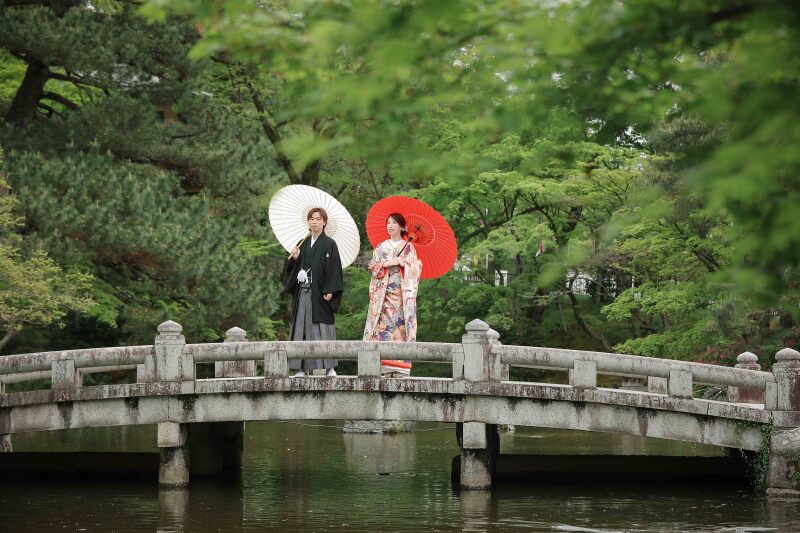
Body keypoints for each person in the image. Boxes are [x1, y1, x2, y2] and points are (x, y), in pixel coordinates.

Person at [285, 207, 344, 377]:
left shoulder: (329, 244)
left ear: (324, 222)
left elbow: (334, 269)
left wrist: (330, 289)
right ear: (308, 221)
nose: (315, 222)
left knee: (323, 328)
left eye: (318, 219)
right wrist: (296, 259)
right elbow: (293, 269)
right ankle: (302, 368)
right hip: (304, 292)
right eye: (312, 219)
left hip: (321, 293)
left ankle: (329, 367)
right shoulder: (302, 243)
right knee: (302, 328)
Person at [362, 213, 422, 376]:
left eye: (394, 223)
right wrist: (388, 263)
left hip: (402, 295)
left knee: (400, 327)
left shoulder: (409, 247)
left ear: (402, 227)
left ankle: (400, 366)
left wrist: (405, 264)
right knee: (381, 326)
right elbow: (372, 267)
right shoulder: (381, 247)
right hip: (383, 294)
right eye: (388, 222)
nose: (390, 226)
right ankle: (382, 364)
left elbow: (416, 268)